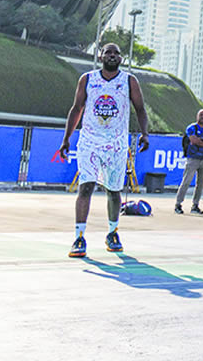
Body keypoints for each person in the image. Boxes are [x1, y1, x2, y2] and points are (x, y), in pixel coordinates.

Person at [58, 42, 149, 257]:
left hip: (116, 144)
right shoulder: (88, 79)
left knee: (114, 191)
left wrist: (145, 133)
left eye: (116, 53)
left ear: (121, 59)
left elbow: (140, 109)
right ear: (100, 57)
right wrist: (66, 138)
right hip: (90, 142)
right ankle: (79, 237)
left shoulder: (129, 81)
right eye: (108, 52)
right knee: (86, 187)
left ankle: (112, 233)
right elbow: (77, 108)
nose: (112, 55)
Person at [174, 109, 203, 214]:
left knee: (200, 184)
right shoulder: (192, 128)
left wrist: (201, 141)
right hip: (193, 159)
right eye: (201, 114)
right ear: (197, 116)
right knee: (186, 182)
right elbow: (193, 140)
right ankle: (178, 204)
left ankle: (195, 205)